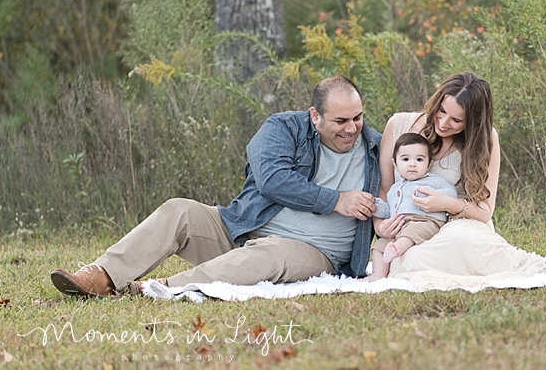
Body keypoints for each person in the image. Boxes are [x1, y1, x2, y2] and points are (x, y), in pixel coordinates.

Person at [50, 76, 381, 297]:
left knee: (270, 255)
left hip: (315, 253)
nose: (352, 128)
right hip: (243, 230)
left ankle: (159, 289)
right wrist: (336, 200)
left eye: (358, 117)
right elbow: (272, 180)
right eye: (341, 121)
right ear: (315, 116)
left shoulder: (375, 149)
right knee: (179, 210)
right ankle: (100, 277)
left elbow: (422, 151)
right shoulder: (283, 128)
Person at [374, 72, 546, 290]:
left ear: (472, 122)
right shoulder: (399, 125)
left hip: (458, 224)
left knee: (456, 239)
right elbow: (384, 189)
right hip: (409, 231)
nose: (443, 122)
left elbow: (484, 211)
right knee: (410, 257)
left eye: (456, 120)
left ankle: (543, 269)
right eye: (441, 111)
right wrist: (380, 225)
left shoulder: (486, 140)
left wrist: (446, 204)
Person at [365, 132, 457, 281]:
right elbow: (389, 209)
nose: (412, 164)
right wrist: (375, 205)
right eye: (406, 159)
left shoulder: (433, 181)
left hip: (426, 221)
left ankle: (397, 249)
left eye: (419, 159)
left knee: (413, 231)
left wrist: (432, 197)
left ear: (429, 164)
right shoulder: (394, 189)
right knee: (379, 245)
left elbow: (450, 194)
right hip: (401, 224)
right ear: (395, 164)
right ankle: (378, 275)